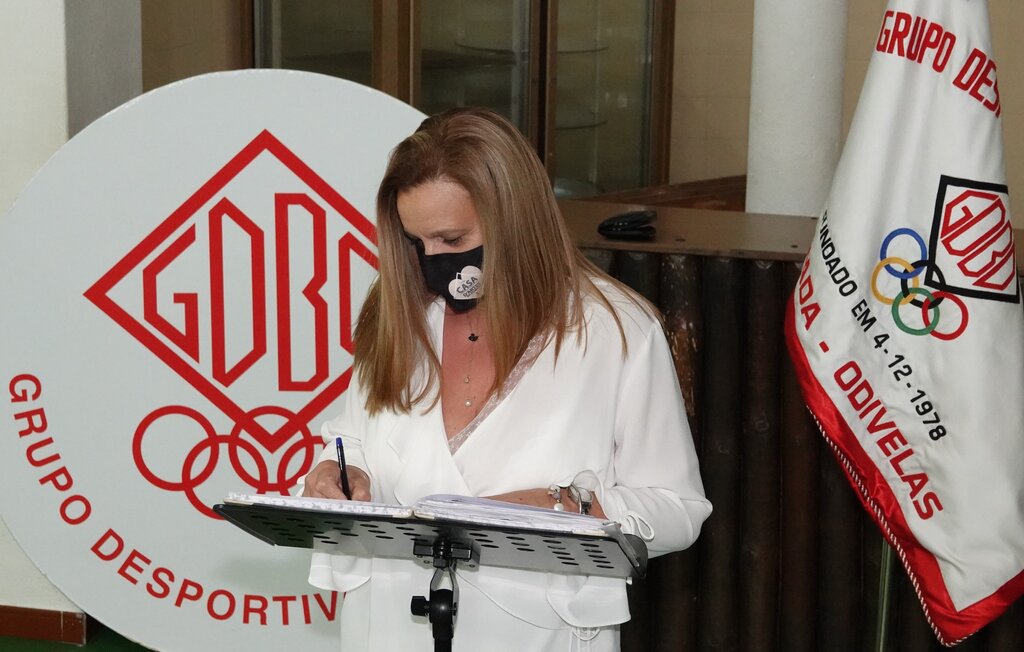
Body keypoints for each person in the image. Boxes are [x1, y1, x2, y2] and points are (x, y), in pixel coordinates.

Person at [300, 107, 711, 651]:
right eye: (417, 243)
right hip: (388, 628)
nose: (433, 262)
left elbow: (678, 509)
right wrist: (334, 473)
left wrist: (565, 506)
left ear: (514, 219)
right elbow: (353, 435)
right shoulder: (397, 315)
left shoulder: (616, 331)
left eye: (452, 239)